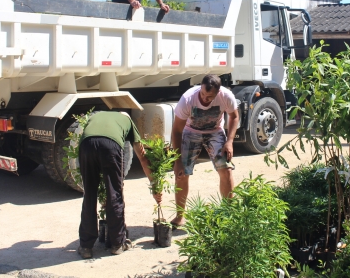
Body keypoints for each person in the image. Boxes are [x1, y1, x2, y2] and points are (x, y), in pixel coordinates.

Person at [77, 111, 160, 259]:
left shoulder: (97, 115)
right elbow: (142, 158)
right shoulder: (127, 120)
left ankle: (86, 247)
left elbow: (88, 135)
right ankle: (117, 244)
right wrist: (154, 185)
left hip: (86, 145)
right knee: (114, 193)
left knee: (89, 194)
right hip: (110, 146)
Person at [170, 74, 239, 228]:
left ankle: (230, 214)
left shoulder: (226, 96)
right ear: (200, 88)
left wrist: (229, 141)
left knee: (226, 169)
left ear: (218, 92)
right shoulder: (188, 99)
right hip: (190, 131)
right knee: (181, 175)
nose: (205, 99)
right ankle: (180, 216)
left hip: (215, 132)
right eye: (203, 94)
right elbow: (176, 131)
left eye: (210, 97)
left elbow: (234, 117)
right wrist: (177, 161)